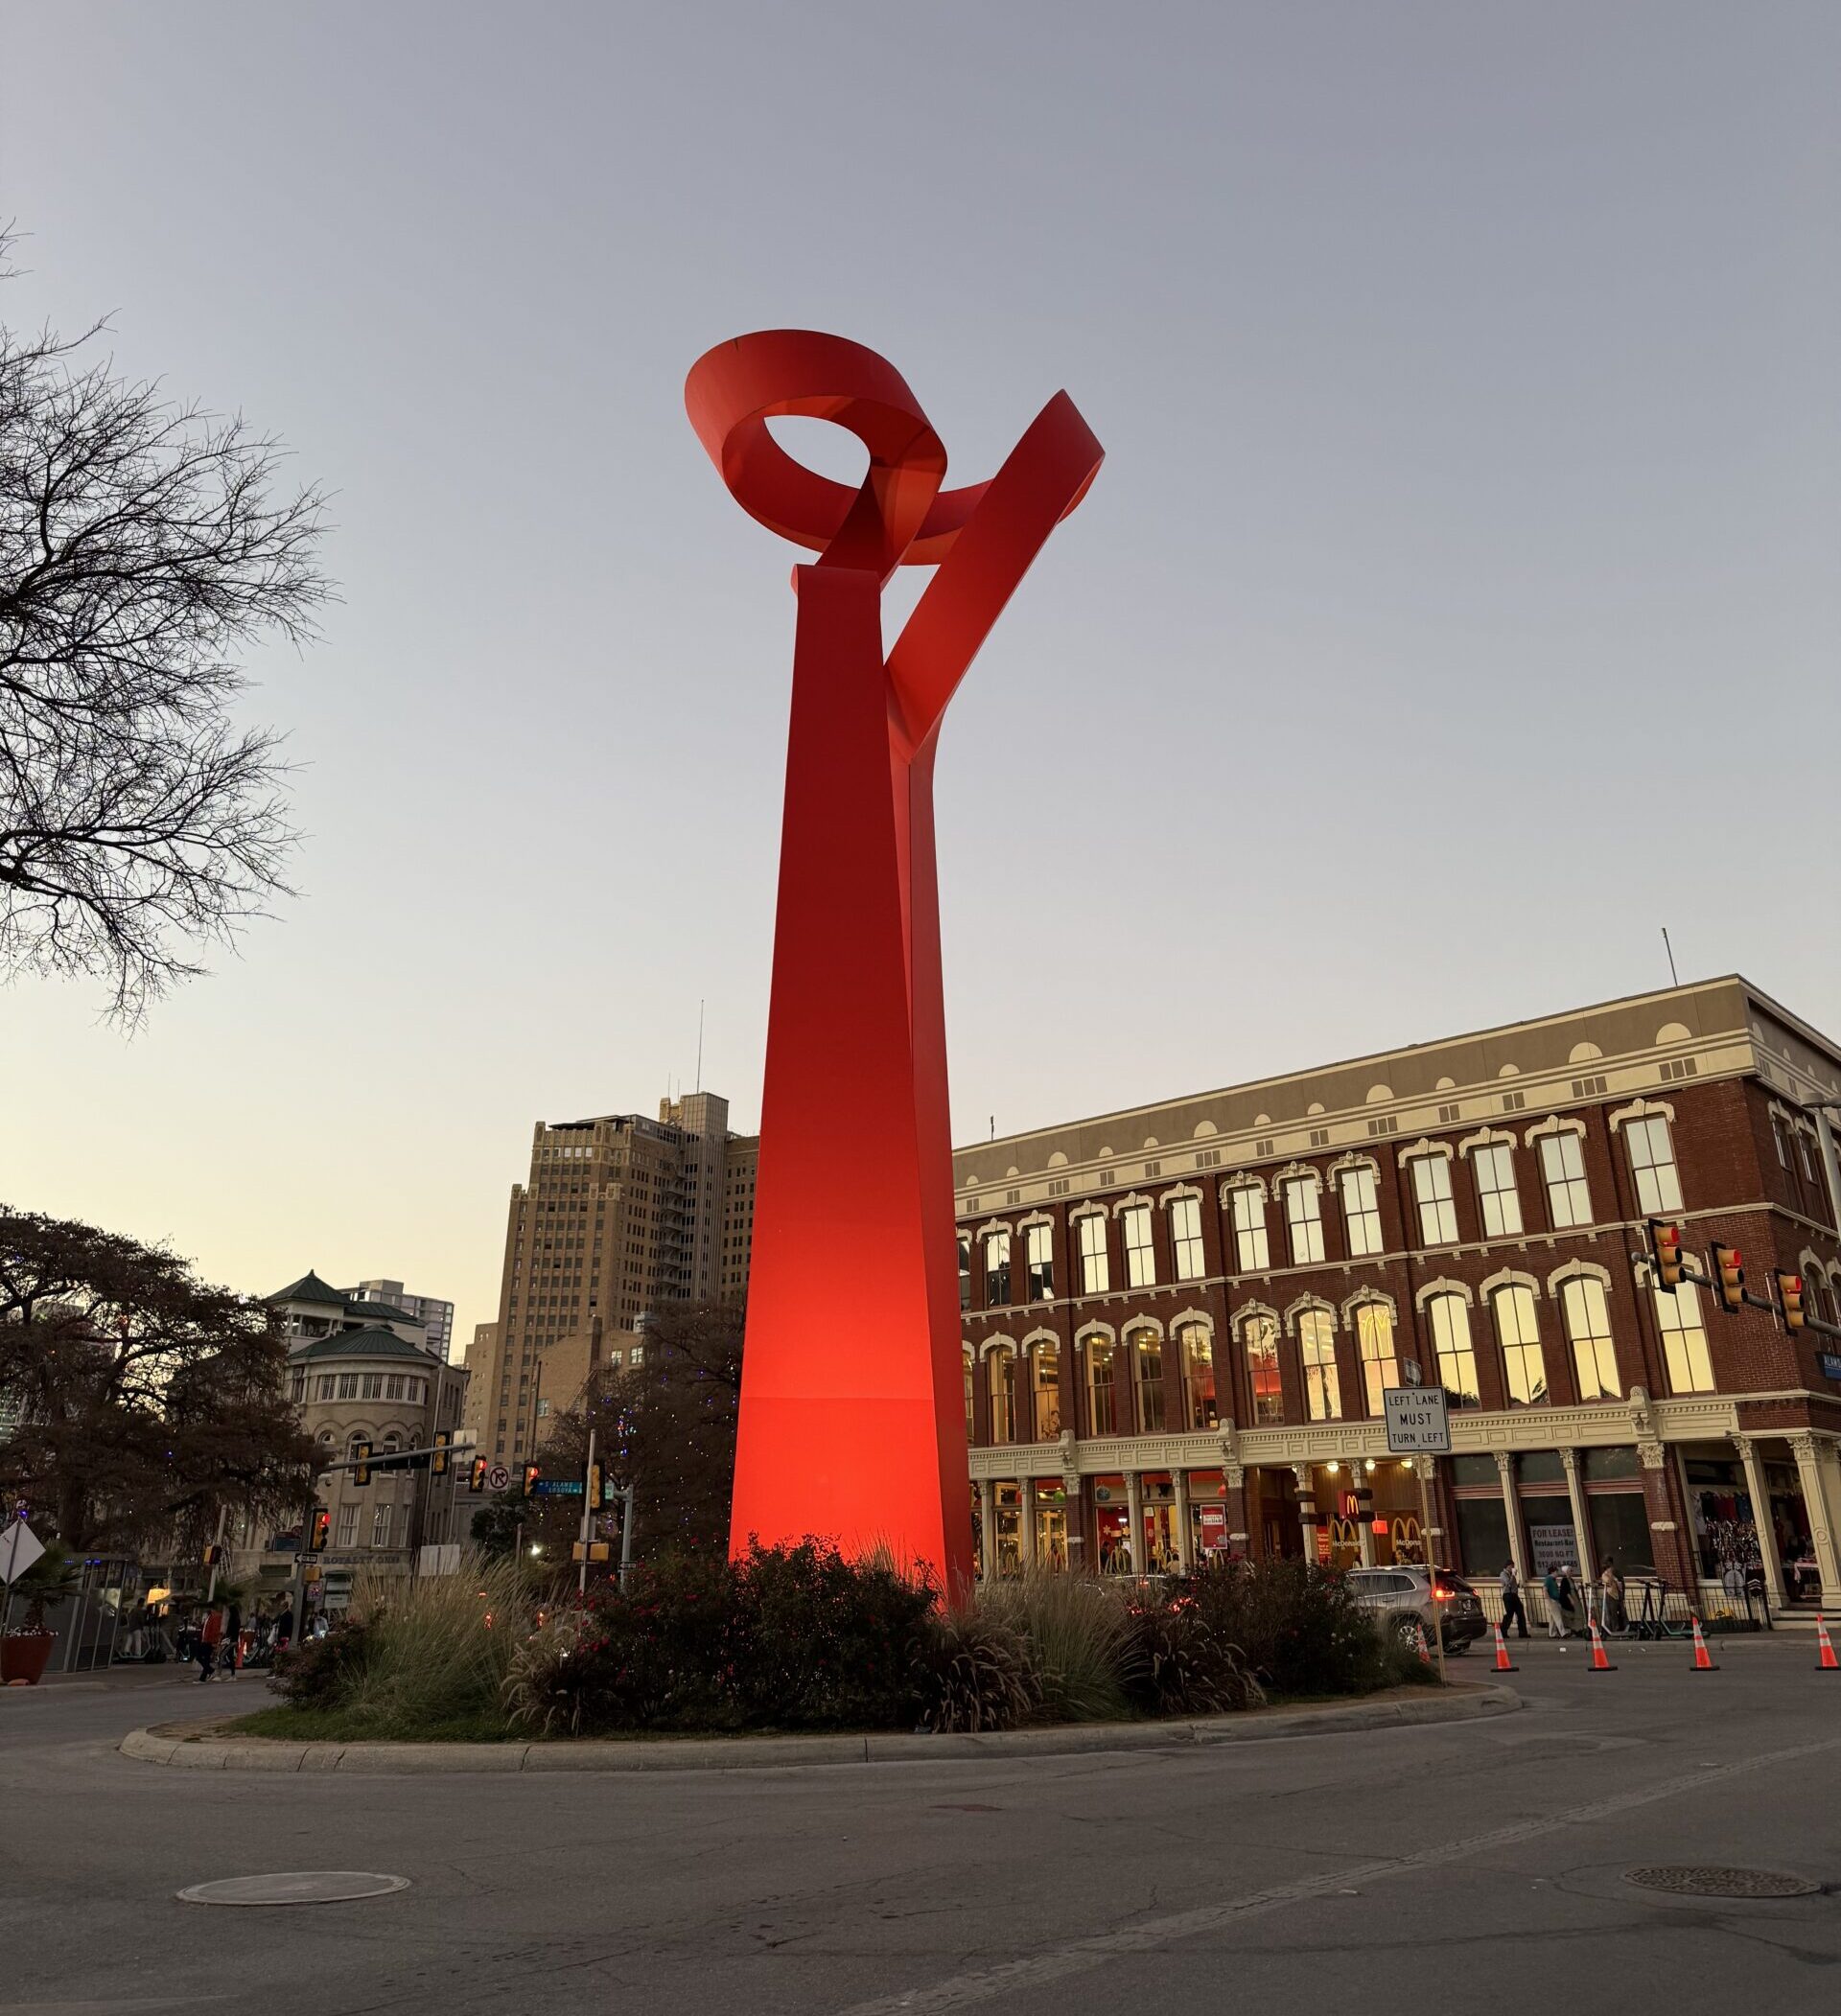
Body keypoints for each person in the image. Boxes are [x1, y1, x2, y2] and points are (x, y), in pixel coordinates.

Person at [1499, 1561, 1528, 1639]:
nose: (1513, 1568)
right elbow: (1508, 1583)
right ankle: (1502, 1631)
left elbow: (1512, 1585)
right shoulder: (1503, 1574)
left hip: (1514, 1595)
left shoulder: (1511, 1574)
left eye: (1513, 1566)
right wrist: (1513, 1575)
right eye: (1511, 1566)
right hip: (1508, 1595)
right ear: (1507, 1566)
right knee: (1509, 1614)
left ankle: (1523, 1632)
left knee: (1520, 1613)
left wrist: (1518, 1585)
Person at [195, 1605, 222, 1682]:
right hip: (205, 1640)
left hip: (208, 1641)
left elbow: (214, 1630)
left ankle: (205, 1675)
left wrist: (214, 1641)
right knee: (202, 1657)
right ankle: (208, 1672)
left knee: (202, 1657)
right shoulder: (209, 1616)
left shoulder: (215, 1617)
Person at [1543, 1564, 1569, 1638]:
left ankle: (1552, 1634)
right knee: (1558, 1617)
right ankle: (1563, 1633)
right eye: (1557, 1572)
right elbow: (1545, 1589)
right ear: (1553, 1572)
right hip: (1552, 1600)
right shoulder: (1548, 1579)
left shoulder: (1553, 1580)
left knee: (1552, 1619)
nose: (1558, 1573)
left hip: (1555, 1600)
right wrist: (1549, 1600)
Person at [1600, 1561, 1624, 1633]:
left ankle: (1621, 1626)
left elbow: (1617, 1582)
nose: (1612, 1569)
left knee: (1620, 1611)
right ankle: (1614, 1628)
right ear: (1607, 1568)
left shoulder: (1613, 1575)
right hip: (1610, 1595)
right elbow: (1609, 1583)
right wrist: (1610, 1575)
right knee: (1612, 1612)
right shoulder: (1605, 1575)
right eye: (1610, 1568)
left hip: (1616, 1594)